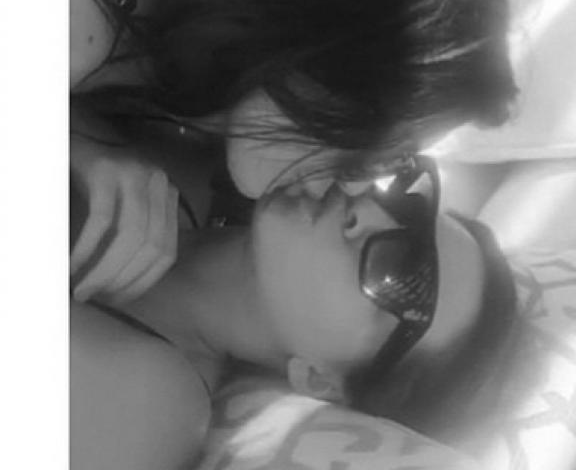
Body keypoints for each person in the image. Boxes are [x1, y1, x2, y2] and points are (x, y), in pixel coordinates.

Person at [69, 0, 518, 301]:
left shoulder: (194, 90)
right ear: (312, 37)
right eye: (370, 147)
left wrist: (91, 144)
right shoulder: (79, 5)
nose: (359, 187)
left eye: (393, 162)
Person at [70, 156, 517, 470]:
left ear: (320, 379)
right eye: (406, 198)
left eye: (401, 274)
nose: (367, 209)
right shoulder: (183, 156)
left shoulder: (146, 405)